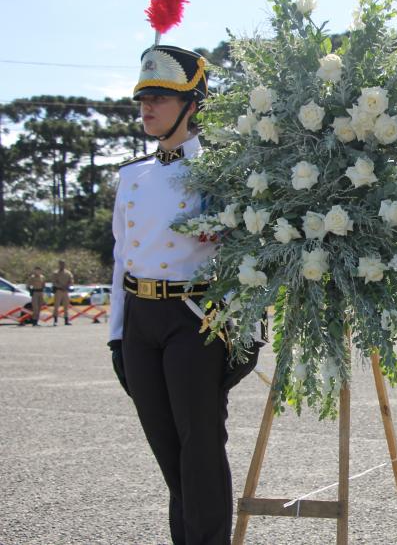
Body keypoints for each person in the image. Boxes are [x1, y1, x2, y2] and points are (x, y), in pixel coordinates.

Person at [107, 40, 235, 544]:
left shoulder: (219, 173)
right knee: (165, 447)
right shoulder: (131, 176)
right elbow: (121, 257)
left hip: (194, 317)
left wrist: (247, 332)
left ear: (191, 104)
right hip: (141, 320)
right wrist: (116, 334)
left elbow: (244, 257)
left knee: (199, 447)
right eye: (143, 98)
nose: (147, 108)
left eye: (159, 98)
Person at [51, 259, 74, 325]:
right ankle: (55, 321)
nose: (62, 265)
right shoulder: (55, 273)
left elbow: (71, 281)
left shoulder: (68, 273)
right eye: (61, 264)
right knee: (56, 306)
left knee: (66, 306)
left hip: (65, 291)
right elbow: (54, 282)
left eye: (63, 264)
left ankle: (66, 320)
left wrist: (67, 286)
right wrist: (60, 286)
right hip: (58, 291)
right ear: (59, 265)